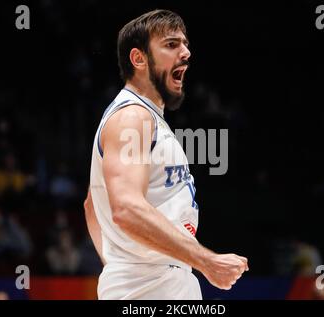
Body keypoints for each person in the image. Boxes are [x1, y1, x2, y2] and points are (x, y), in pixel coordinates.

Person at [85, 9, 248, 300]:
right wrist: (205, 261)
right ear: (139, 59)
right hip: (149, 286)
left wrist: (118, 264)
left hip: (157, 280)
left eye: (185, 44)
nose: (185, 52)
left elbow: (92, 205)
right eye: (171, 44)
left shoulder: (147, 118)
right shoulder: (132, 117)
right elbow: (125, 207)